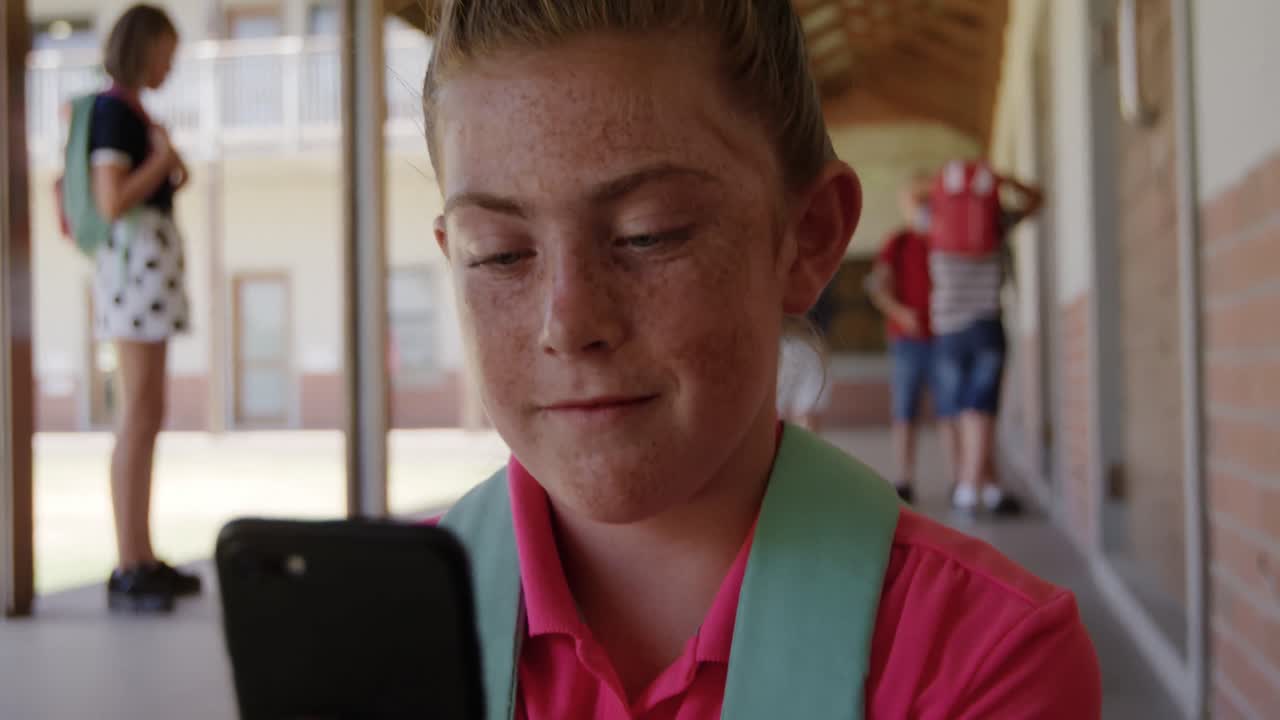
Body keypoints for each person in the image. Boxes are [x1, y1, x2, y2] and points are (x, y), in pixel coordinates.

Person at [426, 1, 1099, 717]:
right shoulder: (373, 625)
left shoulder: (981, 657)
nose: (568, 324)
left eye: (649, 234)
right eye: (498, 253)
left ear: (808, 238)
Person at [91, 4, 200, 612]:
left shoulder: (133, 112)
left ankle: (142, 554)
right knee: (136, 413)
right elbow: (111, 201)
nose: (170, 66)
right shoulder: (113, 112)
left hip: (149, 275)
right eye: (166, 53)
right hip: (133, 273)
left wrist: (166, 160)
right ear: (145, 47)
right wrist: (160, 159)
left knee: (148, 412)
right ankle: (128, 563)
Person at [929, 164, 1044, 516]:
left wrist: (944, 182)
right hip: (985, 326)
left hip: (948, 330)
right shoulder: (996, 222)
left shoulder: (934, 220)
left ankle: (985, 485)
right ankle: (971, 486)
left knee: (963, 410)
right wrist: (1002, 178)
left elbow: (908, 195)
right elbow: (1037, 199)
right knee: (981, 409)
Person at [865, 174, 948, 504]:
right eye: (919, 201)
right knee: (904, 410)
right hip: (907, 341)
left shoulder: (945, 239)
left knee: (950, 412)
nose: (924, 207)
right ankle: (904, 478)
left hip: (944, 338)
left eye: (930, 201)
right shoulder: (897, 242)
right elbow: (879, 289)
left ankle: (959, 480)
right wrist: (901, 314)